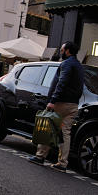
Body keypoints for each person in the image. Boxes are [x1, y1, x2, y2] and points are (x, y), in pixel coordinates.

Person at [28, 41, 84, 172]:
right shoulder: (79, 66)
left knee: (48, 127)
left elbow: (62, 82)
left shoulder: (66, 64)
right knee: (65, 132)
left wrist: (53, 100)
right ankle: (62, 163)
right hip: (73, 105)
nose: (61, 51)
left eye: (62, 49)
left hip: (61, 103)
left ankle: (40, 156)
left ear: (68, 51)